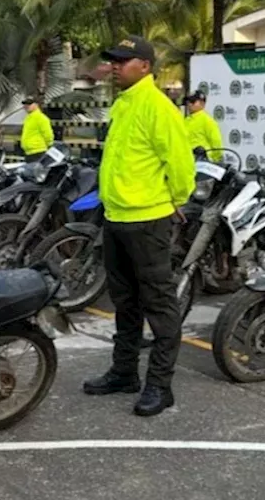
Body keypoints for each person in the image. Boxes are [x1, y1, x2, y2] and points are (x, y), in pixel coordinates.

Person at [82, 35, 195, 417]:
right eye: (113, 60)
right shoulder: (124, 104)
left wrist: (176, 200)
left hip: (148, 220)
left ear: (145, 66)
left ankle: (160, 386)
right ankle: (124, 372)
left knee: (159, 305)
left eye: (123, 60)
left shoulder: (158, 108)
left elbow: (180, 164)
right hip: (116, 218)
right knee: (125, 303)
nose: (115, 66)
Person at [183, 91, 222, 162]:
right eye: (188, 102)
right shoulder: (185, 120)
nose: (189, 104)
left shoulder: (207, 120)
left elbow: (216, 142)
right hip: (187, 160)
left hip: (203, 161)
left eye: (193, 101)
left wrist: (215, 160)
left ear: (202, 103)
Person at [20, 98, 54, 162]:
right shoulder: (28, 118)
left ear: (36, 105)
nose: (26, 106)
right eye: (25, 104)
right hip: (28, 152)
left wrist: (49, 145)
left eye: (29, 104)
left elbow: (48, 135)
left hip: (38, 152)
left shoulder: (41, 118)